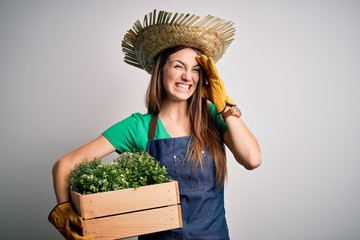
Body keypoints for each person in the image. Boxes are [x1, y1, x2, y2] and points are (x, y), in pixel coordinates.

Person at [48, 9, 261, 240]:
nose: (187, 77)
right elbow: (65, 164)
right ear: (161, 71)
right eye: (178, 66)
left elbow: (252, 159)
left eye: (196, 70)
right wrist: (66, 215)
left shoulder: (213, 116)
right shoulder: (138, 126)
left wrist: (225, 107)